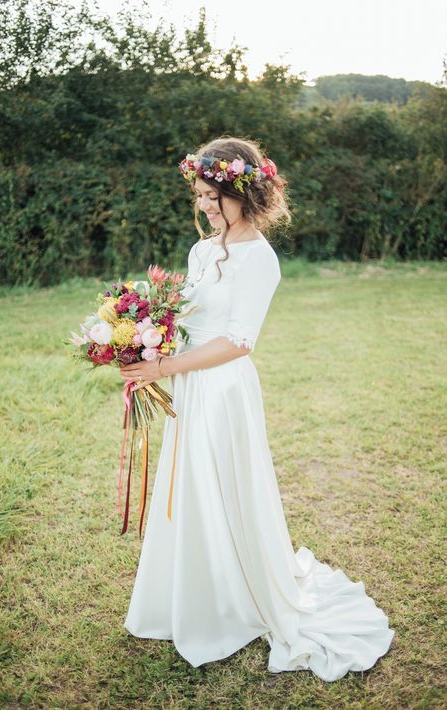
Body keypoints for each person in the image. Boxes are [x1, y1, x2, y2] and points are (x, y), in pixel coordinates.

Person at [119, 136, 395, 681]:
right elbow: (189, 320)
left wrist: (164, 369)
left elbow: (240, 341)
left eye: (209, 195)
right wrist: (142, 345)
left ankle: (236, 601)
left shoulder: (260, 259)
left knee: (224, 486)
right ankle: (193, 594)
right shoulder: (202, 250)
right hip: (190, 385)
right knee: (189, 489)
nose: (201, 204)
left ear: (240, 191)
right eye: (197, 195)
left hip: (223, 391)